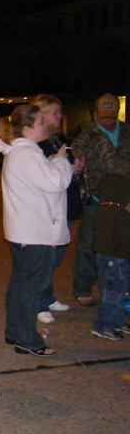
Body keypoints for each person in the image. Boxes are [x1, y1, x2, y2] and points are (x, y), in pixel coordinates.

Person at [0, 104, 71, 357]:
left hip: (28, 231)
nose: (46, 124)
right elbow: (56, 182)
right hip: (34, 232)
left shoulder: (25, 153)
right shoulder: (26, 154)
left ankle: (16, 332)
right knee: (30, 288)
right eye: (40, 121)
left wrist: (54, 162)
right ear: (26, 129)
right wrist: (61, 160)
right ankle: (27, 339)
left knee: (22, 286)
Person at [29, 94, 85, 324]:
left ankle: (47, 296)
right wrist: (63, 167)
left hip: (65, 205)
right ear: (42, 115)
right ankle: (38, 303)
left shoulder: (57, 139)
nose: (60, 117)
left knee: (56, 255)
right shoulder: (36, 143)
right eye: (55, 112)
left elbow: (63, 168)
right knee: (46, 258)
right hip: (49, 209)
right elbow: (44, 176)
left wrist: (75, 168)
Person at [71, 93, 130, 307]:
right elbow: (83, 167)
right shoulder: (86, 137)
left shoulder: (127, 132)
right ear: (96, 114)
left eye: (112, 116)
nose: (108, 121)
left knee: (122, 244)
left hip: (123, 200)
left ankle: (121, 290)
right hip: (96, 198)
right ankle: (83, 288)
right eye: (104, 116)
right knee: (88, 244)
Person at [89, 173, 130, 340]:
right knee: (114, 293)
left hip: (110, 257)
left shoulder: (104, 209)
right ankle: (104, 324)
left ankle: (116, 321)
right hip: (115, 258)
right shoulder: (117, 213)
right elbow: (125, 236)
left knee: (117, 292)